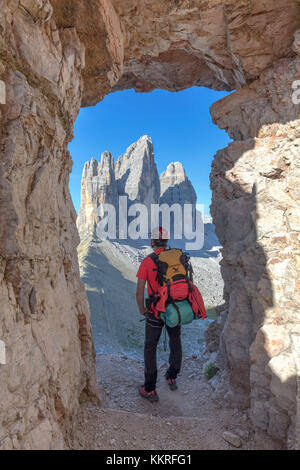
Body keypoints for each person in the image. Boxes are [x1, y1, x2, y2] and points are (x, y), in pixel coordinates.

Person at [136, 227, 182, 402]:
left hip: (156, 310)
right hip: (174, 307)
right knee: (175, 340)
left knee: (150, 347)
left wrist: (142, 309)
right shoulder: (176, 256)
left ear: (153, 241)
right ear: (166, 241)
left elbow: (140, 291)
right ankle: (171, 377)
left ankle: (149, 389)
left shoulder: (148, 262)